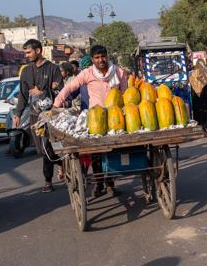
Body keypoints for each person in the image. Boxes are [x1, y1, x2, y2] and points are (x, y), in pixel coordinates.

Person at [54, 45, 128, 196]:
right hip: (95, 118)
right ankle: (100, 183)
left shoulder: (118, 72)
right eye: (97, 57)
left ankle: (110, 183)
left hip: (116, 118)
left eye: (103, 56)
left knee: (114, 151)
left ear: (107, 56)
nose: (101, 60)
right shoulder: (87, 74)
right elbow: (68, 88)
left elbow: (125, 94)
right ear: (93, 59)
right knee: (96, 153)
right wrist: (56, 104)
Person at [13, 39, 64, 192]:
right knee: (41, 150)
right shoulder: (26, 72)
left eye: (29, 52)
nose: (27, 55)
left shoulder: (53, 69)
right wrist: (18, 114)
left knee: (47, 146)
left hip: (51, 115)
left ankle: (48, 180)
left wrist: (44, 91)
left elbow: (61, 90)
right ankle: (61, 163)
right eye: (25, 53)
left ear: (38, 50)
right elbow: (22, 95)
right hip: (35, 116)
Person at [190, 58, 207, 133]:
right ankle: (206, 127)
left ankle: (202, 126)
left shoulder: (192, 74)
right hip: (206, 97)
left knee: (199, 112)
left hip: (197, 98)